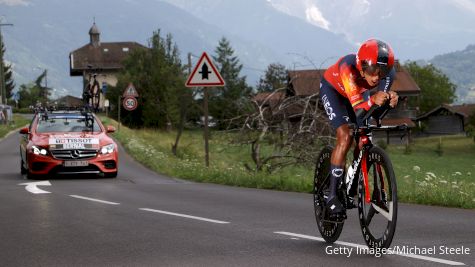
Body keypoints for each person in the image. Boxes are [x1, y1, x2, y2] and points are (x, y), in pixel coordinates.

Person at [319, 38, 399, 218]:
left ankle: (349, 189)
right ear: (361, 65)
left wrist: (389, 102)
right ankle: (331, 196)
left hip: (357, 95)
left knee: (364, 140)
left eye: (382, 71)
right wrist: (372, 100)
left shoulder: (389, 75)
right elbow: (359, 111)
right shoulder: (348, 68)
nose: (377, 77)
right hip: (334, 91)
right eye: (372, 70)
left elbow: (375, 113)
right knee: (345, 136)